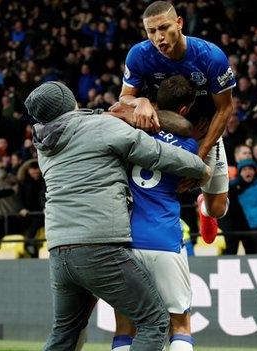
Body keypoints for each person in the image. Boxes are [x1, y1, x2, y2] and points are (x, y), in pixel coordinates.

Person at [26, 81, 210, 351]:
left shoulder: (44, 144)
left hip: (59, 251)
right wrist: (200, 168)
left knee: (65, 333)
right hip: (98, 246)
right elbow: (155, 152)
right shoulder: (100, 127)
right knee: (154, 320)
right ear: (69, 102)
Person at [114, 1, 236, 243]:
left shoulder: (210, 56)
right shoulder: (139, 54)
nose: (158, 37)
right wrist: (142, 103)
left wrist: (197, 159)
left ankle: (203, 208)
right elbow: (124, 98)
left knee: (218, 209)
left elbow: (225, 109)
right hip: (160, 128)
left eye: (163, 28)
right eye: (151, 31)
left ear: (179, 23)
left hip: (203, 132)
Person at [112, 76, 198, 351]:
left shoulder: (129, 132)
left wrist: (137, 104)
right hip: (164, 238)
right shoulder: (189, 146)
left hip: (126, 240)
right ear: (185, 110)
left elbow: (114, 110)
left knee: (126, 327)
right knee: (180, 325)